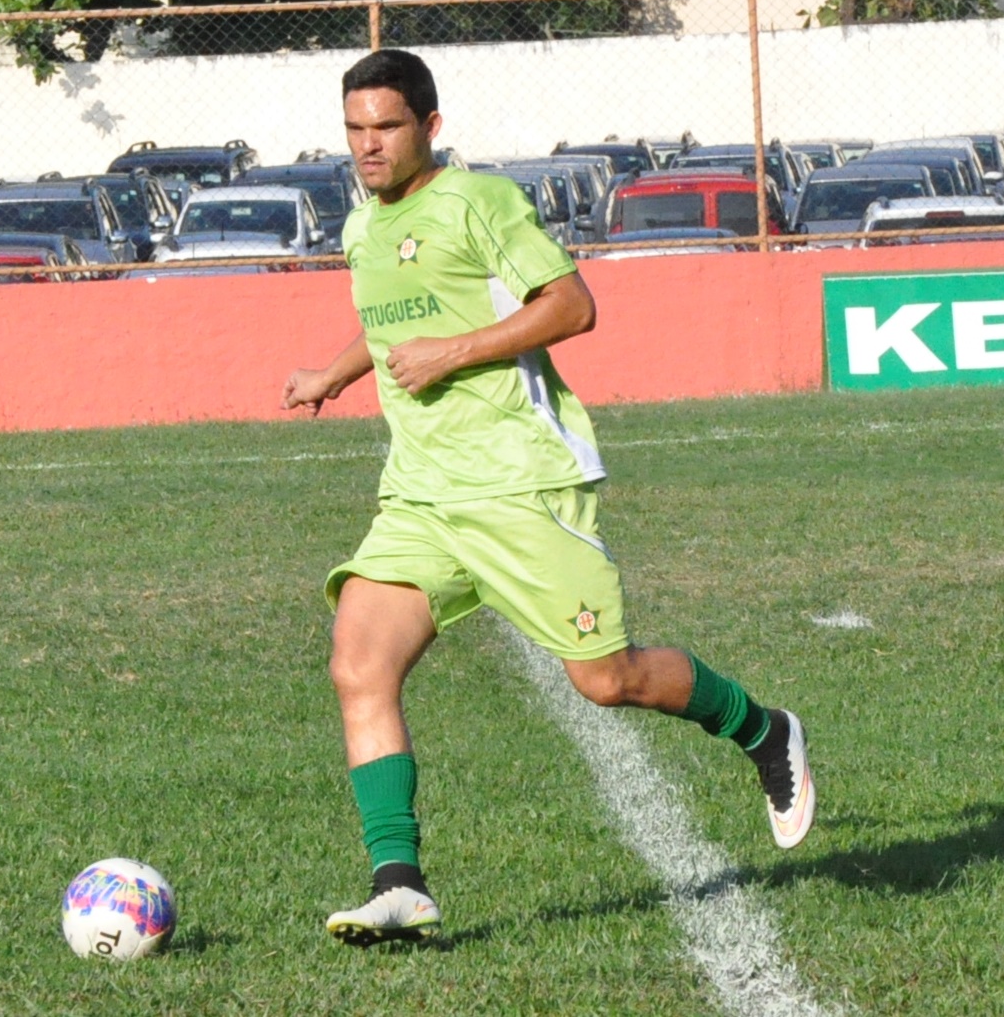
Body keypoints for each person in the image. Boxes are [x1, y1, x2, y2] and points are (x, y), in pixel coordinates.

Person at [280, 49, 815, 949]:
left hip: (521, 482)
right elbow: (389, 324)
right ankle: (399, 881)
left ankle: (764, 730)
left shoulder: (480, 202)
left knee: (607, 681)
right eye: (355, 130)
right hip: (421, 493)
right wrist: (330, 375)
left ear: (430, 128)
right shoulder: (362, 227)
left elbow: (572, 306)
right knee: (358, 664)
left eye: (387, 127)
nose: (368, 147)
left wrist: (455, 354)